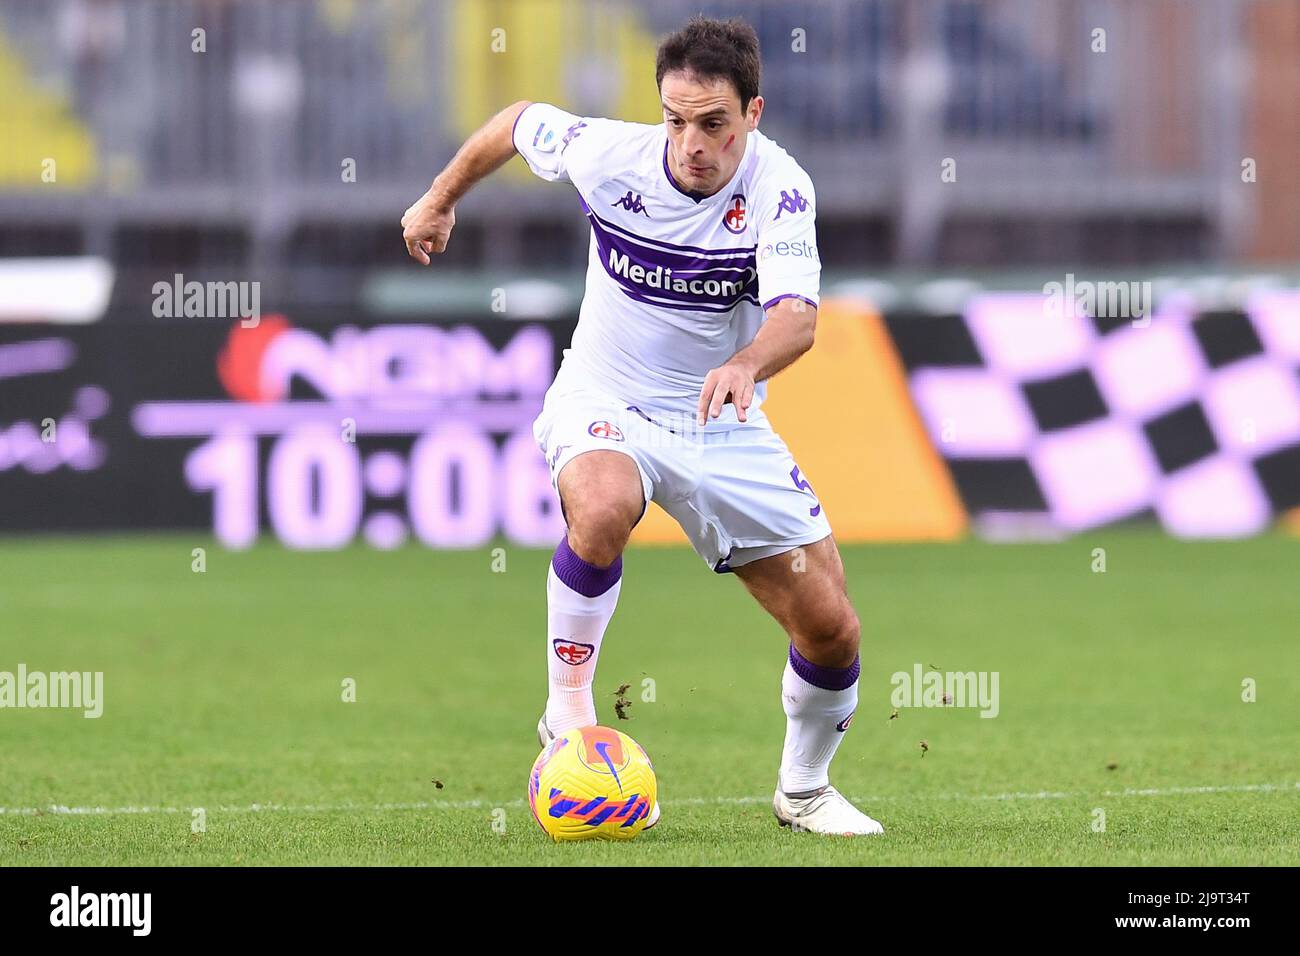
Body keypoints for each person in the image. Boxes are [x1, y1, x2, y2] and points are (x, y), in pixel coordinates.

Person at [402, 16, 883, 836]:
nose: (691, 142)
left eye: (713, 124)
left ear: (753, 114)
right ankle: (569, 714)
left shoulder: (781, 188)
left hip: (719, 418)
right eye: (675, 118)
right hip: (605, 397)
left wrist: (743, 367)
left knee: (832, 627)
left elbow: (797, 319)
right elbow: (517, 121)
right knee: (599, 507)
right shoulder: (608, 154)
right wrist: (438, 199)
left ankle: (803, 791)